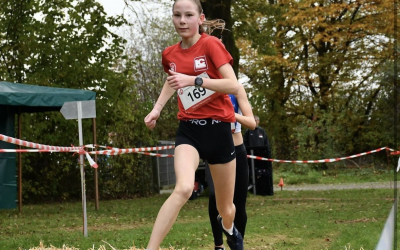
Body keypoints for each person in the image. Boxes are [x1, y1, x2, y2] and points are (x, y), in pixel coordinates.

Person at [144, 0, 243, 249]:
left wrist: (195, 81)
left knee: (226, 208)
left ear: (200, 18)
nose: (182, 21)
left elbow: (234, 86)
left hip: (219, 131)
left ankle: (229, 228)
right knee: (184, 188)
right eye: (177, 15)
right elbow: (172, 80)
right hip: (189, 130)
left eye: (188, 15)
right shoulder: (169, 54)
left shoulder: (211, 45)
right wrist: (157, 108)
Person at [205, 85, 256, 250]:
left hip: (237, 149)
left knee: (239, 204)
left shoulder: (236, 88)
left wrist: (231, 115)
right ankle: (218, 245)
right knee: (215, 197)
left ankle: (237, 242)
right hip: (214, 150)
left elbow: (252, 123)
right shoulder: (204, 87)